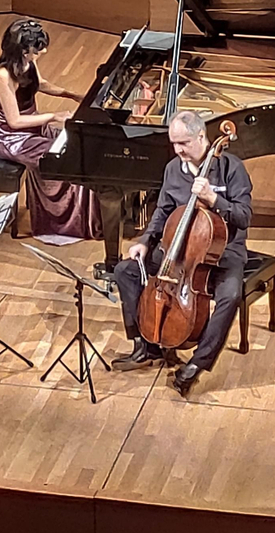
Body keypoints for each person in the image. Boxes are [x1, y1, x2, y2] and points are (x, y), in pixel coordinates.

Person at [109, 110, 253, 396]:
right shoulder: (173, 169)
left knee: (230, 296)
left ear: (201, 136)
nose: (177, 150)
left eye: (184, 143)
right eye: (173, 144)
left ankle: (196, 365)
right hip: (178, 252)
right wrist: (145, 240)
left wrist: (214, 199)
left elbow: (244, 216)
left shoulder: (230, 169)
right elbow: (162, 211)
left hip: (223, 254)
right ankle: (146, 345)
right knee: (125, 270)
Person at [0, 18, 100, 244]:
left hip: (35, 129)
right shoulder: (2, 75)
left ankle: (85, 218)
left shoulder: (27, 62)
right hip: (13, 139)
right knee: (63, 159)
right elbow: (15, 121)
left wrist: (72, 95)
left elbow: (41, 84)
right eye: (37, 49)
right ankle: (60, 223)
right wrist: (54, 116)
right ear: (21, 48)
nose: (43, 51)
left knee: (78, 143)